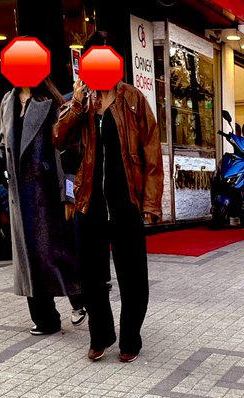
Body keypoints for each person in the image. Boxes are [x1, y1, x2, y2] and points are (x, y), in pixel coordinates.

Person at [53, 31, 163, 363]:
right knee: (90, 275)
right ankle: (100, 334)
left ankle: (130, 337)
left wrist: (151, 203)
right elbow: (58, 138)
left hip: (126, 202)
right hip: (89, 202)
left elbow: (152, 152)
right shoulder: (81, 100)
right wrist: (76, 104)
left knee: (133, 276)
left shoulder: (133, 99)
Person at [0, 78, 86, 335]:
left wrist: (68, 195)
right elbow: (5, 144)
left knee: (57, 254)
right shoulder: (8, 101)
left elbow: (66, 148)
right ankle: (45, 318)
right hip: (20, 194)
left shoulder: (50, 102)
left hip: (47, 191)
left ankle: (80, 299)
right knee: (31, 259)